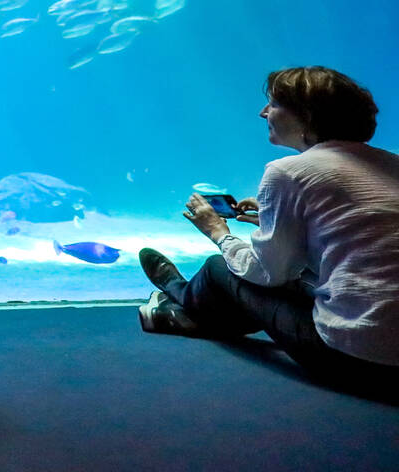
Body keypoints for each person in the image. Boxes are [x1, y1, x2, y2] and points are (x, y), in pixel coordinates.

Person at [138, 66, 399, 394]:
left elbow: (268, 273)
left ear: (305, 115)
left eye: (274, 103)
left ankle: (177, 295)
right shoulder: (394, 164)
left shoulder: (288, 172)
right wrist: (275, 221)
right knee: (288, 277)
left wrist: (218, 232)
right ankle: (192, 315)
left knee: (220, 268)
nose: (264, 112)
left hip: (358, 359)